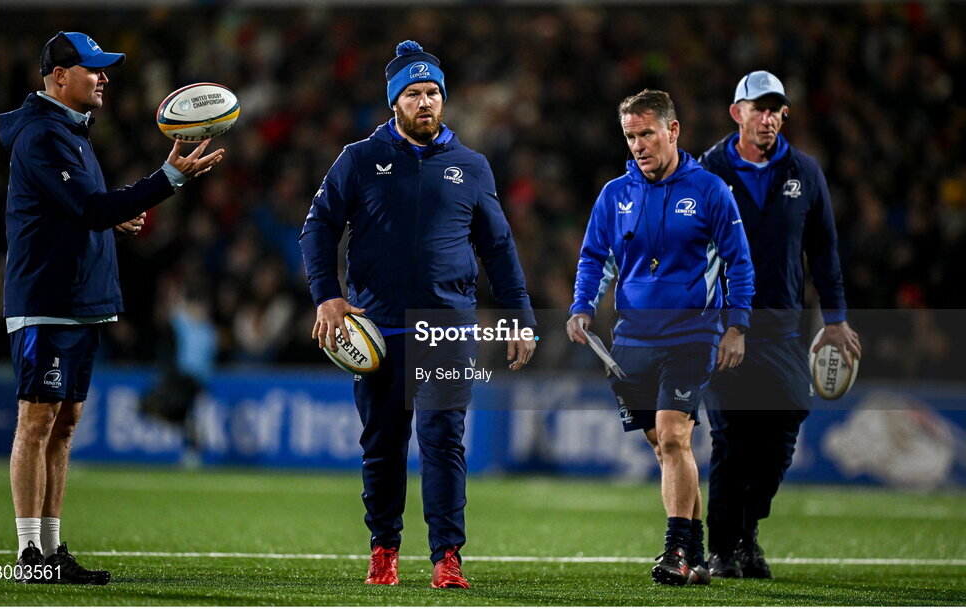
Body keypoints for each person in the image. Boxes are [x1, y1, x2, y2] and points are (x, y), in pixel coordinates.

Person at [300, 40, 535, 589]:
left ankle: (446, 557)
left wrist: (520, 314)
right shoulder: (358, 159)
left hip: (447, 329)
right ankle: (383, 549)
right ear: (394, 103)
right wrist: (325, 294)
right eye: (413, 93)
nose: (425, 102)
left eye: (433, 92)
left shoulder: (472, 167)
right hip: (376, 329)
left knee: (442, 438)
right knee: (382, 443)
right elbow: (318, 227)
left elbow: (498, 249)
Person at [0, 31, 224, 584]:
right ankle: (30, 556)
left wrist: (112, 217)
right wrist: (168, 177)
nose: (104, 78)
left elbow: (84, 212)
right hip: (48, 301)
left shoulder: (70, 133)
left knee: (65, 423)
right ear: (58, 76)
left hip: (79, 301)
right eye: (93, 69)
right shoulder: (43, 136)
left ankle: (51, 551)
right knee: (37, 420)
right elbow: (90, 208)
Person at [567, 89, 754, 586]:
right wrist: (582, 307)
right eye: (630, 136)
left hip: (692, 336)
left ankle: (675, 552)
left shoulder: (712, 191)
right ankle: (693, 554)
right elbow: (593, 258)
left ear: (673, 130)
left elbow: (739, 262)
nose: (638, 145)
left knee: (674, 437)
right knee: (663, 446)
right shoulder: (615, 194)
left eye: (646, 133)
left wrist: (736, 326)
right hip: (631, 343)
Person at [698, 71, 861, 578]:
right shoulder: (706, 170)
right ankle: (725, 549)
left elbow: (826, 252)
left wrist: (834, 320)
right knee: (731, 440)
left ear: (783, 115)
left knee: (781, 437)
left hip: (784, 333)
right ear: (736, 112)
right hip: (723, 330)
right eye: (758, 108)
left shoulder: (806, 173)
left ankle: (747, 533)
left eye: (775, 110)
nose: (767, 118)